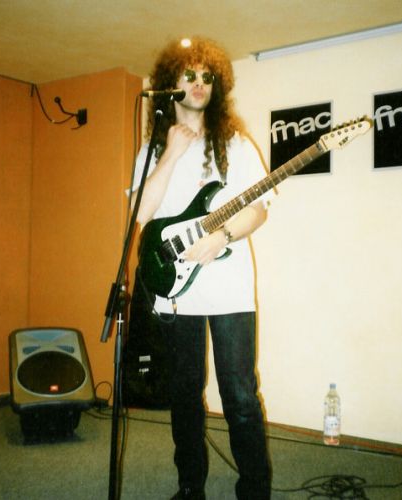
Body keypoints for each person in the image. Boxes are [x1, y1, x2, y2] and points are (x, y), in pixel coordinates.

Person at [131, 36, 272, 500]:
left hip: (229, 287)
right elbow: (141, 215)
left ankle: (255, 490)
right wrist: (171, 152)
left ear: (217, 86)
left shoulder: (235, 144)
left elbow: (259, 208)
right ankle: (190, 486)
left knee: (240, 395)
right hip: (176, 291)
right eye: (189, 75)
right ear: (171, 83)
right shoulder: (152, 151)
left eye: (207, 76)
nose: (198, 83)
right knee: (184, 394)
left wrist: (223, 236)